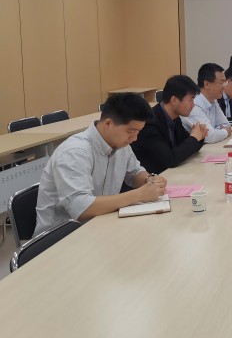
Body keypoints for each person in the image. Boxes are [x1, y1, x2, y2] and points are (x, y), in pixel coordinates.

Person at [34, 93, 167, 237]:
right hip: (61, 238)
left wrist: (149, 180)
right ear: (108, 124)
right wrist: (140, 194)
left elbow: (134, 172)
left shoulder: (121, 145)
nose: (134, 138)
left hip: (101, 224)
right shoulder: (74, 152)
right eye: (130, 132)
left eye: (138, 132)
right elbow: (81, 207)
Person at [131, 75, 208, 174]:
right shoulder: (150, 123)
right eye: (191, 99)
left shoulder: (175, 118)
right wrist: (194, 138)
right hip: (153, 177)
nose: (193, 105)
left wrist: (200, 135)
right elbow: (170, 159)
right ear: (174, 100)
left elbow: (186, 146)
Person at [181, 63, 232, 144]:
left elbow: (226, 125)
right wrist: (225, 132)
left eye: (225, 83)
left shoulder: (213, 100)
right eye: (221, 83)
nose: (224, 87)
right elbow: (209, 136)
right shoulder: (194, 104)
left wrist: (217, 131)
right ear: (207, 84)